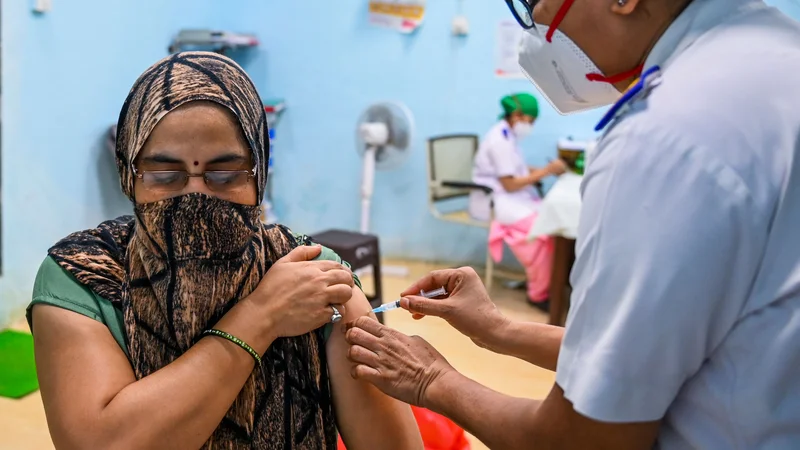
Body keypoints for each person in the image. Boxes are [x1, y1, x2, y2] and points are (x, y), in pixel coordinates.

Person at [345, 0, 800, 448]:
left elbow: (581, 439)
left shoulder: (662, 140)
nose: (536, 23)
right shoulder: (772, 54)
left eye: (534, 1)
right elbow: (643, 353)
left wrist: (431, 380)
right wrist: (500, 331)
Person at [28, 52, 422, 450]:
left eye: (226, 174)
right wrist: (261, 316)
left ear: (260, 172)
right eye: (165, 175)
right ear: (129, 175)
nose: (196, 195)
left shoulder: (313, 279)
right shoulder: (85, 277)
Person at [469, 93, 567, 311]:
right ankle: (538, 294)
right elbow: (510, 184)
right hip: (495, 201)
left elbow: (517, 170)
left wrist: (543, 171)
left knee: (552, 222)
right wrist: (546, 172)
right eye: (530, 121)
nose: (530, 126)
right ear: (516, 115)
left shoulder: (508, 135)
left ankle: (543, 281)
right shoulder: (499, 140)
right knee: (541, 230)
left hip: (510, 198)